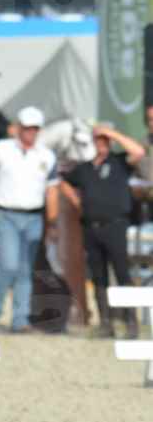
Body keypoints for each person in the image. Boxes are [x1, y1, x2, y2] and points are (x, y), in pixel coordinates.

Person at [0, 106, 59, 333]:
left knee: (25, 269)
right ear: (19, 127)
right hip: (6, 214)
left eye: (35, 128)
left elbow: (52, 192)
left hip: (34, 217)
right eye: (27, 127)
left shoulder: (47, 156)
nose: (31, 132)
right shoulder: (0, 149)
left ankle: (20, 319)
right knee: (8, 266)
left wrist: (52, 222)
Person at [60, 124, 145, 338]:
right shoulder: (85, 168)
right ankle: (105, 322)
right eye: (98, 140)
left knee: (122, 273)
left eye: (105, 140)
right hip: (91, 227)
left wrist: (112, 133)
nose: (102, 144)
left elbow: (138, 152)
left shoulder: (118, 162)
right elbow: (64, 181)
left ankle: (130, 321)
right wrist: (76, 200)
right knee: (98, 277)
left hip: (115, 225)